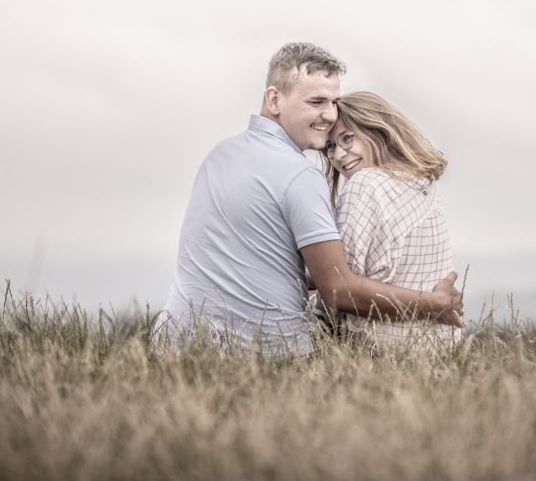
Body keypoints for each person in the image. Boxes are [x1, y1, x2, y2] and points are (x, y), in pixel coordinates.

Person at [163, 43, 462, 357]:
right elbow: (338, 290)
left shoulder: (220, 155)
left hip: (178, 340)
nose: (330, 114)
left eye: (333, 102)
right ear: (275, 99)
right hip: (265, 350)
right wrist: (435, 304)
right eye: (317, 101)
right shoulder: (301, 175)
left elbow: (254, 262)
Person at [319, 92, 461, 351]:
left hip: (379, 348)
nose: (338, 154)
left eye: (347, 138)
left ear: (378, 131)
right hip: (437, 347)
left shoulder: (365, 184)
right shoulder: (420, 182)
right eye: (330, 146)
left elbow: (339, 287)